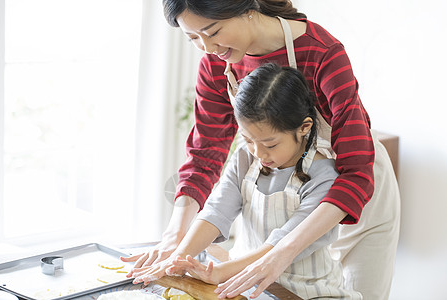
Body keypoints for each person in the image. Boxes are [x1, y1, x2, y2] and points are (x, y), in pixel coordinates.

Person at [122, 1, 400, 299]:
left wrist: (284, 251)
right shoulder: (218, 62)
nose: (207, 47)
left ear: (246, 8)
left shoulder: (321, 53)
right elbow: (204, 155)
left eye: (212, 31)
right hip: (278, 196)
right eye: (193, 38)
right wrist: (174, 238)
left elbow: (357, 171)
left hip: (352, 194)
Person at [130, 63, 363, 299]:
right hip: (243, 282)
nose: (259, 154)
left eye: (270, 144)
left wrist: (220, 273)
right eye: (248, 139)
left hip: (307, 292)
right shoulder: (245, 156)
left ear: (304, 127)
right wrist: (178, 258)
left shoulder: (323, 176)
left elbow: (281, 243)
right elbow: (216, 211)